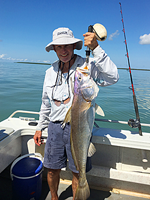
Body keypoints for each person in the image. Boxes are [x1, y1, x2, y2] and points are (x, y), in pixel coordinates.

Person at [33, 27, 119, 200]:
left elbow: (112, 77)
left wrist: (96, 48)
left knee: (77, 171)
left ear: (74, 47)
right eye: (59, 47)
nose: (63, 50)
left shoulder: (87, 67)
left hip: (80, 127)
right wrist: (40, 126)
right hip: (55, 127)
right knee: (51, 169)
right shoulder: (49, 73)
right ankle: (55, 197)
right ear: (54, 49)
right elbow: (45, 103)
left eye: (67, 46)